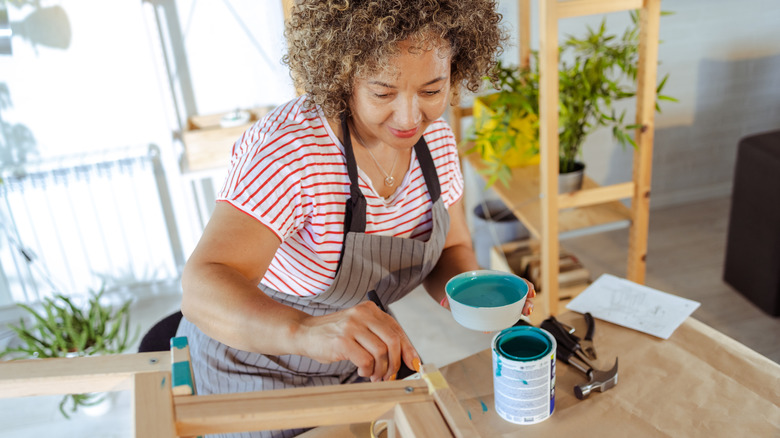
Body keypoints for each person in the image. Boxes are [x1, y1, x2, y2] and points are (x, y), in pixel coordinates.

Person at [178, 1, 535, 436]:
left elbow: (453, 248)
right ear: (342, 75)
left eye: (431, 90)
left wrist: (475, 295)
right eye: (383, 92)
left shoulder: (435, 142)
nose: (409, 118)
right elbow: (200, 288)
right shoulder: (293, 152)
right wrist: (306, 331)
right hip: (258, 365)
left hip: (364, 355)